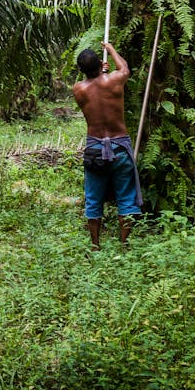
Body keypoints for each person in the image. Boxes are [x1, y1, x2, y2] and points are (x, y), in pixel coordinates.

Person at [72, 41, 142, 248]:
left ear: (81, 70)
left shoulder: (78, 89)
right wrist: (110, 48)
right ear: (101, 64)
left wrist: (98, 73)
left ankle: (95, 244)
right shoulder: (114, 81)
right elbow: (125, 69)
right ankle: (124, 243)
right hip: (120, 146)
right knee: (126, 197)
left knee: (93, 198)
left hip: (94, 149)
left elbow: (91, 83)